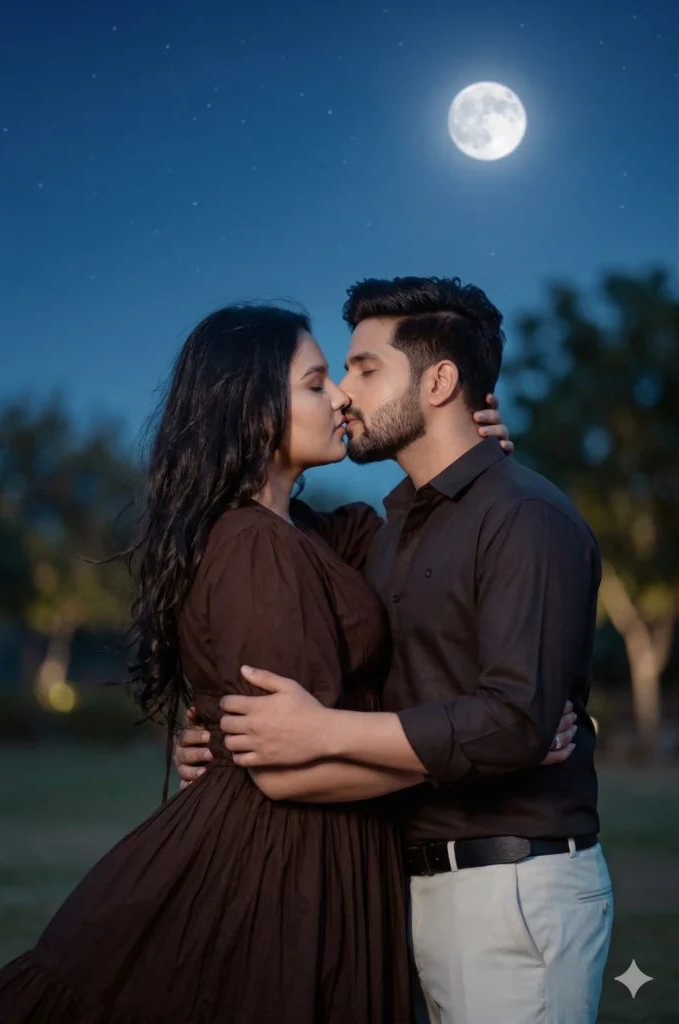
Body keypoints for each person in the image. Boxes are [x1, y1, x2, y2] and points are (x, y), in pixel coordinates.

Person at [0, 301, 542, 1024]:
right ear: (254, 410)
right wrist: (491, 748)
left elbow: (414, 555)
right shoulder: (253, 546)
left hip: (322, 852)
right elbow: (286, 766)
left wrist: (463, 455)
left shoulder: (318, 535)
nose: (341, 396)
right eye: (317, 383)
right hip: (276, 866)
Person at [175, 277, 613, 1024]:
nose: (344, 395)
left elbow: (512, 721)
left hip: (508, 886)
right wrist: (208, 733)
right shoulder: (381, 536)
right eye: (331, 376)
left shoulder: (525, 517)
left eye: (362, 370)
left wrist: (320, 734)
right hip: (408, 883)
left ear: (439, 381)